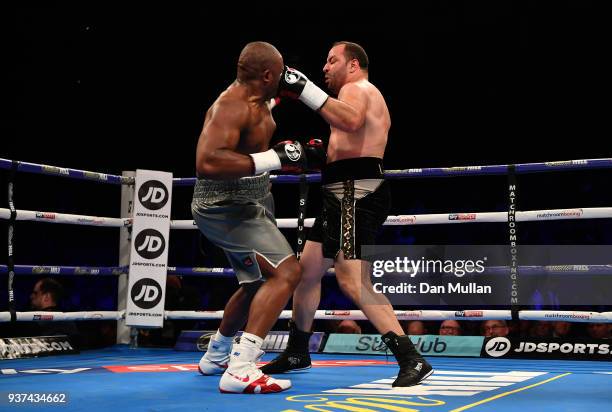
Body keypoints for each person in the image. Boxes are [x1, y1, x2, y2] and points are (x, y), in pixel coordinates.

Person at [261, 41, 433, 387]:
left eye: (331, 60)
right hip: (339, 189)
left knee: (353, 280)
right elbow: (350, 137)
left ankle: (411, 358)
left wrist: (305, 90)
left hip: (356, 190)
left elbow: (352, 122)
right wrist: (320, 154)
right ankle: (297, 350)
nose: (325, 67)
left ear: (353, 64)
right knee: (305, 272)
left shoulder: (358, 88)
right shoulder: (351, 95)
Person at [191, 41, 324, 394]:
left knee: (255, 284)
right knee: (288, 272)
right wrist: (275, 159)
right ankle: (241, 367)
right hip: (225, 205)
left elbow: (270, 112)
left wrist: (298, 96)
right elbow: (207, 162)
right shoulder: (230, 107)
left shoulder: (261, 96)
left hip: (252, 198)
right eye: (279, 73)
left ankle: (217, 354)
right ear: (267, 75)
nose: (283, 78)